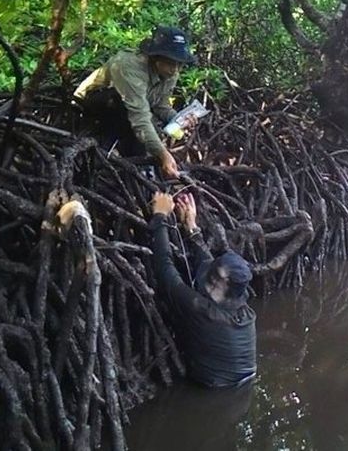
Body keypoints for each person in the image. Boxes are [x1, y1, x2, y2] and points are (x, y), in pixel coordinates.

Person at [148, 191, 257, 388]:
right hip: (244, 384)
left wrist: (160, 216)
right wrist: (191, 226)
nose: (209, 278)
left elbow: (164, 269)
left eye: (213, 280)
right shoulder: (241, 299)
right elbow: (211, 265)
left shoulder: (203, 310)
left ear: (217, 287)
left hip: (215, 392)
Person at [74, 26, 197, 178]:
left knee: (136, 119)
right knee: (124, 107)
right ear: (157, 57)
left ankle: (138, 170)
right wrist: (162, 153)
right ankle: (106, 163)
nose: (176, 70)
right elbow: (139, 117)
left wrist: (178, 119)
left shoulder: (170, 74)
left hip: (125, 111)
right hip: (91, 103)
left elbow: (160, 105)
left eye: (180, 64)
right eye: (172, 63)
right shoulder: (130, 67)